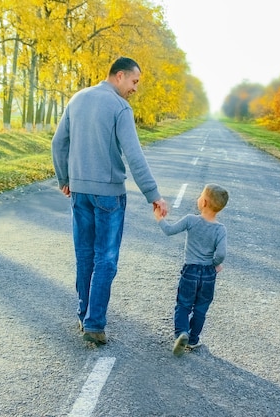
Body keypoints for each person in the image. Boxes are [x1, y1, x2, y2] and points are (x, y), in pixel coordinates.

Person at [52, 57, 168, 346]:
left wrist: (64, 179)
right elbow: (134, 155)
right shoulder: (119, 108)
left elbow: (58, 143)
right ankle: (94, 324)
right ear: (119, 76)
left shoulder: (78, 99)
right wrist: (153, 195)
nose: (135, 88)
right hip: (109, 196)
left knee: (85, 255)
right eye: (134, 81)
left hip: (78, 192)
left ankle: (84, 314)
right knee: (105, 259)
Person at [154, 183, 228, 356]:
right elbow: (222, 253)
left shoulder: (191, 220)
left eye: (200, 196)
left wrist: (159, 218)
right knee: (201, 308)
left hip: (190, 271)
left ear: (203, 203)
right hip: (208, 274)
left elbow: (169, 230)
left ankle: (181, 333)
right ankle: (193, 339)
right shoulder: (220, 229)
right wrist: (215, 264)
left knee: (183, 305)